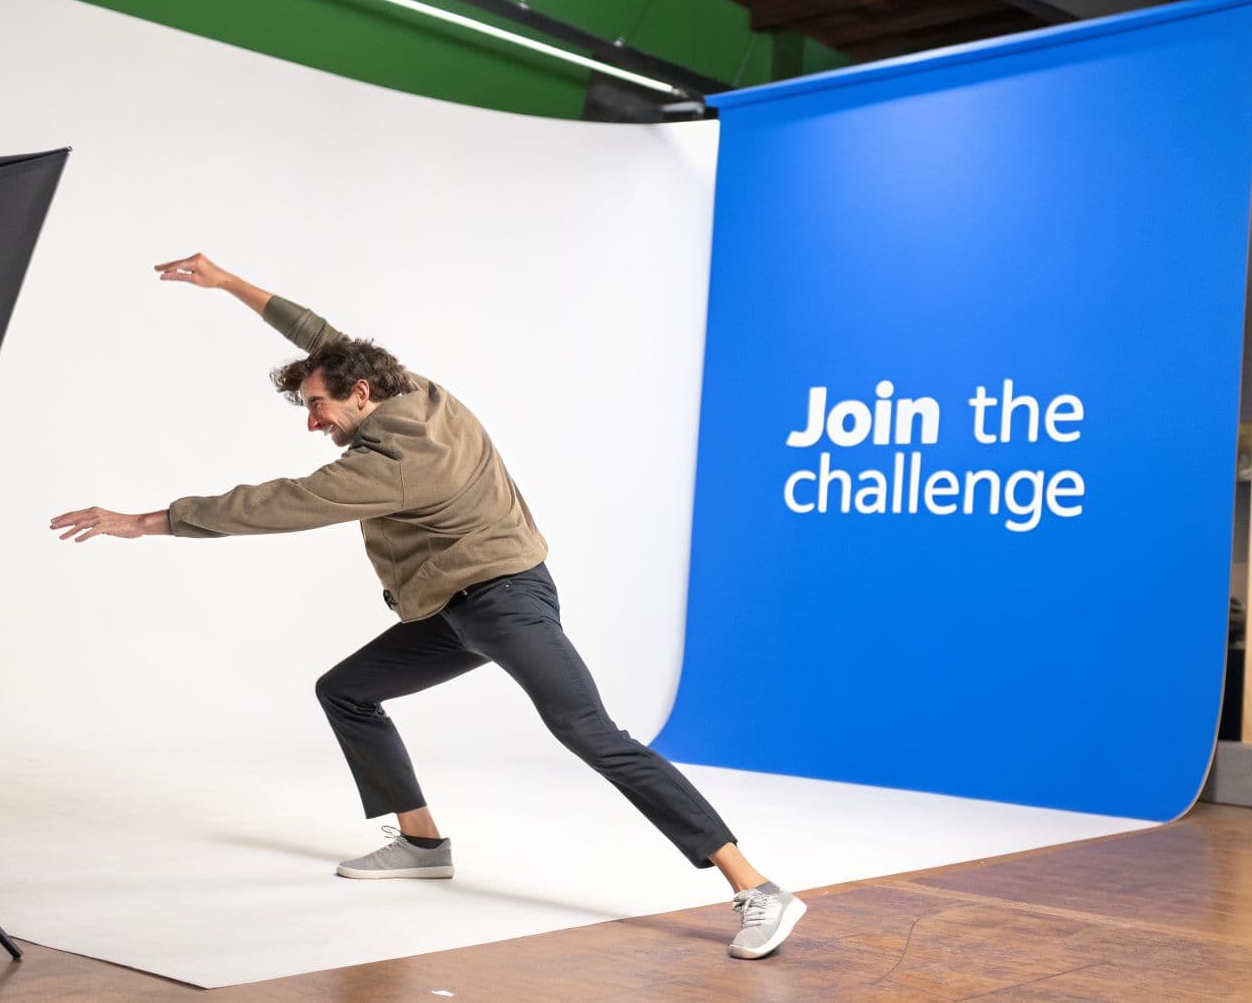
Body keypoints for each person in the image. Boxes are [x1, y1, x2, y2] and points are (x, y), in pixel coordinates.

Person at [49, 254, 805, 960]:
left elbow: (271, 505)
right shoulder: (412, 390)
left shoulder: (395, 466)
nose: (313, 422)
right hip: (454, 606)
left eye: (317, 408)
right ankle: (420, 845)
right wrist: (228, 282)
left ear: (361, 396)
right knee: (346, 690)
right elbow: (321, 337)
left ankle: (756, 888)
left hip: (505, 600)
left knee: (590, 732)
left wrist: (142, 522)